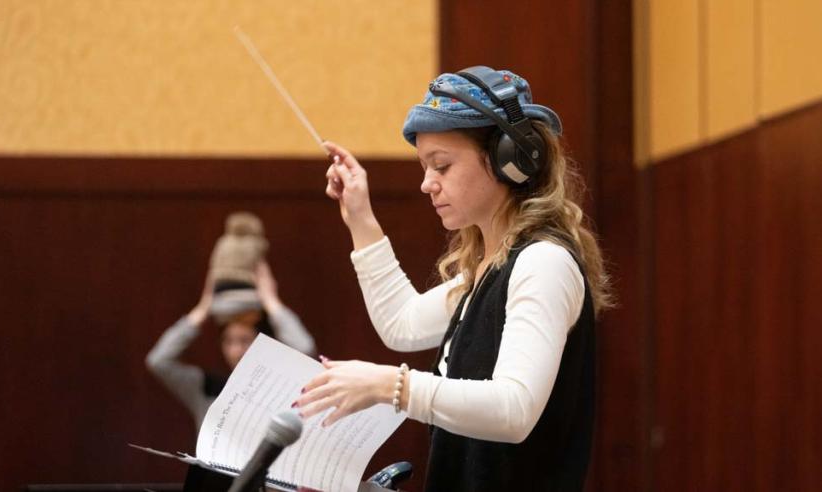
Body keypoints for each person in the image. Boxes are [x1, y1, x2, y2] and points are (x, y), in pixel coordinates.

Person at [293, 67, 613, 491]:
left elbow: (513, 409)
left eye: (441, 165)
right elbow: (401, 324)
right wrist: (360, 217)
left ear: (509, 161)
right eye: (425, 167)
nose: (427, 184)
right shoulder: (489, 268)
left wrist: (390, 385)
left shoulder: (543, 264)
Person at [146, 213, 316, 430]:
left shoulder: (278, 388)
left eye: (245, 340)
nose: (237, 350)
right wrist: (203, 308)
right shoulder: (206, 388)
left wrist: (272, 302)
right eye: (229, 341)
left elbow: (305, 348)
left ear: (262, 340)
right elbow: (158, 361)